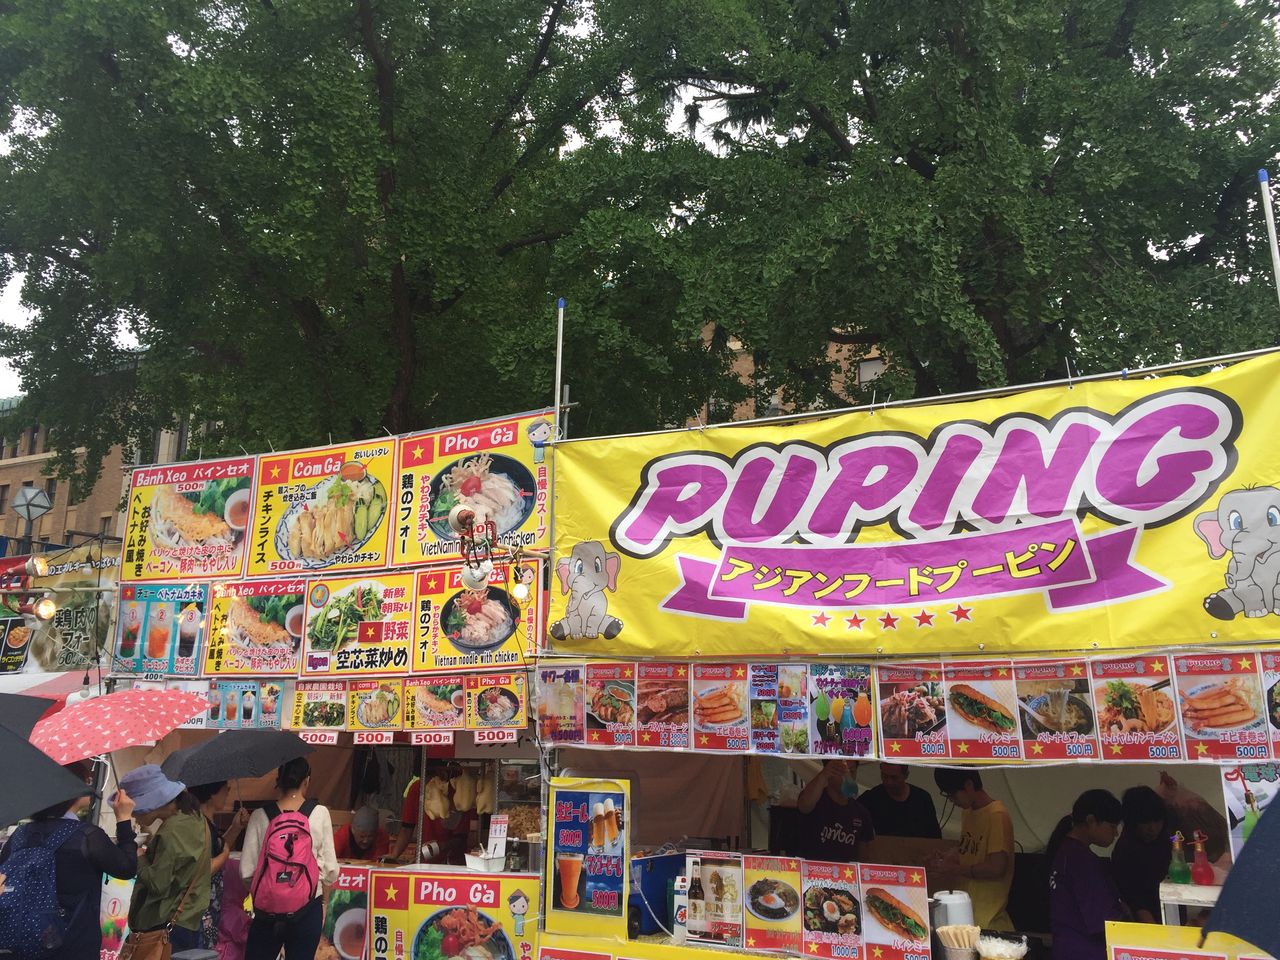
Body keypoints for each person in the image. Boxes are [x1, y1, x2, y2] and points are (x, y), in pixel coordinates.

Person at [0, 761, 137, 960]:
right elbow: (127, 868)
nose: (89, 787)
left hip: (20, 941)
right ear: (72, 788)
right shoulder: (87, 836)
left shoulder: (20, 834)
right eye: (86, 782)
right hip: (73, 943)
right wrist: (124, 819)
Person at [241, 757, 339, 960]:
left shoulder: (259, 815)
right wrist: (321, 901)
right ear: (306, 781)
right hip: (308, 908)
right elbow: (330, 870)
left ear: (278, 780)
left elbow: (247, 872)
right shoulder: (320, 813)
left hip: (266, 909)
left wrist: (271, 891)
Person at [124, 764, 212, 953]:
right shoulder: (196, 818)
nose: (134, 816)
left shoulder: (172, 831)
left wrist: (140, 858)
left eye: (135, 809)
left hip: (166, 924)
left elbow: (158, 884)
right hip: (186, 919)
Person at [930, 767, 1016, 931]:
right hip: (965, 913)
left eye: (953, 795)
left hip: (988, 919)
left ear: (969, 785)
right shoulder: (968, 813)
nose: (952, 801)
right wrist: (948, 857)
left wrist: (955, 869)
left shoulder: (997, 815)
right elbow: (970, 850)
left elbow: (996, 868)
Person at [1048, 790, 1128, 960]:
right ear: (1091, 821)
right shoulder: (1082, 860)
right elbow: (1102, 918)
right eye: (1112, 826)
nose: (1115, 833)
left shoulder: (1064, 851)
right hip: (1086, 951)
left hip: (1065, 947)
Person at [190, 780, 248, 949]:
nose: (228, 792)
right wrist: (225, 855)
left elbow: (218, 849)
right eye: (225, 788)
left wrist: (236, 827)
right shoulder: (197, 825)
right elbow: (202, 869)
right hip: (199, 910)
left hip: (209, 908)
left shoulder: (206, 822)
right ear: (211, 793)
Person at [1111, 786, 1172, 924]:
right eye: (1145, 822)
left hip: (1171, 912)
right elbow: (1133, 896)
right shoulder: (1125, 850)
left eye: (1157, 821)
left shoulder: (1166, 841)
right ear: (1132, 822)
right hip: (1143, 923)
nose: (1152, 829)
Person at [794, 759, 876, 861]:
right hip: (814, 869)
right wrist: (823, 775)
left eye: (852, 771)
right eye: (841, 771)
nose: (848, 776)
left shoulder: (861, 813)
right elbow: (805, 805)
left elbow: (865, 856)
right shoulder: (816, 799)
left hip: (846, 870)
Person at [859, 763, 942, 839]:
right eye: (884, 776)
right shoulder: (870, 798)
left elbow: (935, 837)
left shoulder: (922, 799)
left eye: (894, 778)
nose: (889, 782)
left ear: (906, 775)